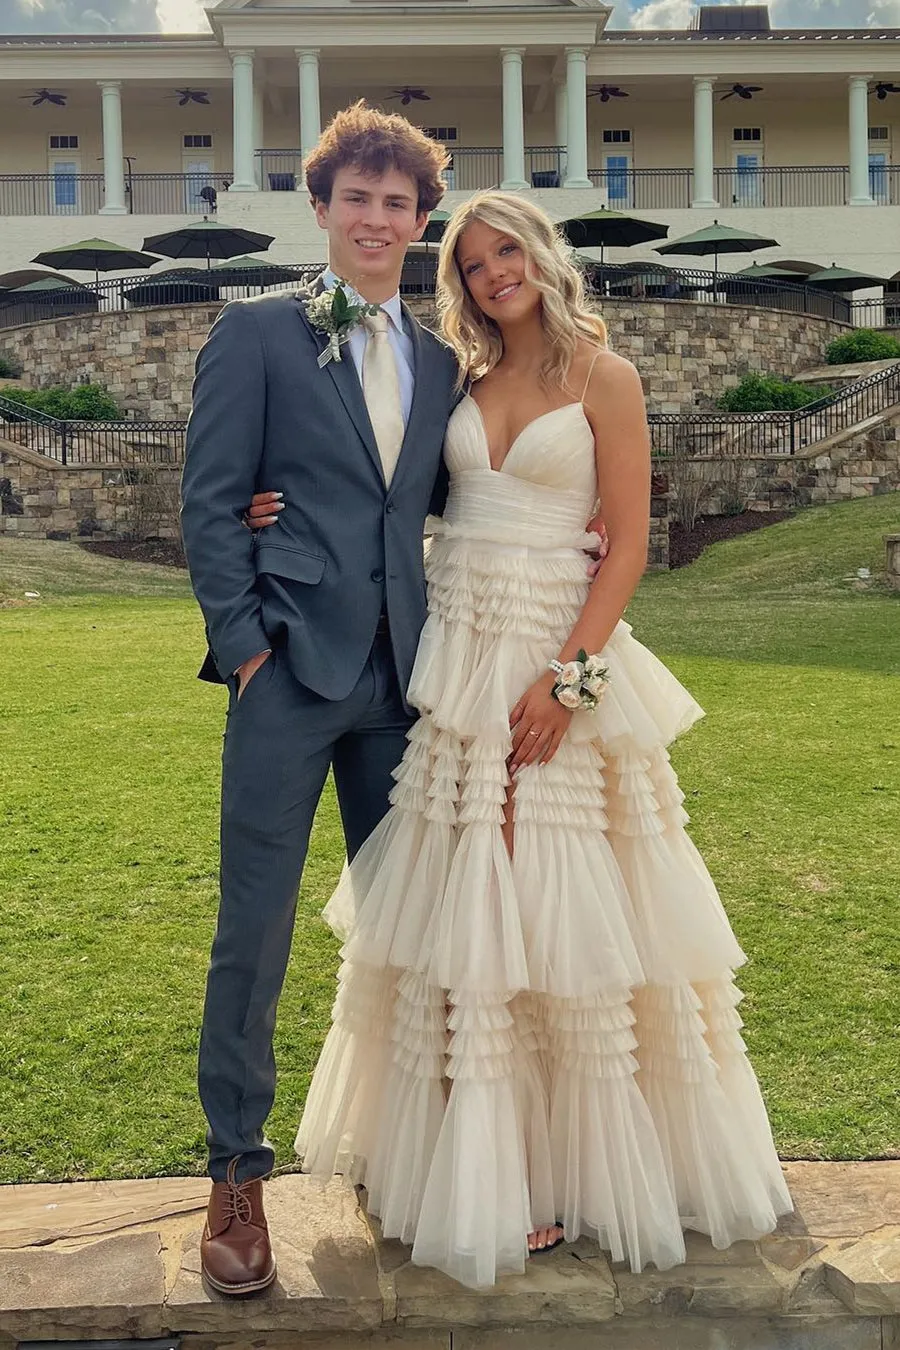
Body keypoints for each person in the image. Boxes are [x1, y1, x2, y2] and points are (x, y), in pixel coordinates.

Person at [247, 189, 792, 1290]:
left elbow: (632, 542)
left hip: (555, 647)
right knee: (468, 899)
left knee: (565, 903)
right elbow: (390, 484)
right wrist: (280, 506)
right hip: (456, 644)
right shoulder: (463, 376)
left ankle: (568, 1175)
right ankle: (475, 1166)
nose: (495, 272)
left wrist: (571, 680)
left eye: (509, 252)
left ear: (543, 255)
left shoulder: (605, 376)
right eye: (475, 260)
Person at [179, 102, 461, 1297]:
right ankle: (235, 1169)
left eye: (399, 203)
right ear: (322, 207)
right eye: (359, 197)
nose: (378, 219)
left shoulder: (447, 361)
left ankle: (406, 1154)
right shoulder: (256, 338)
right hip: (288, 676)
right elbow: (209, 502)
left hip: (406, 686)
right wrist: (246, 648)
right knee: (256, 931)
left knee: (411, 934)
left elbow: (452, 499)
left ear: (420, 221)